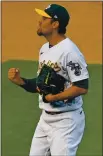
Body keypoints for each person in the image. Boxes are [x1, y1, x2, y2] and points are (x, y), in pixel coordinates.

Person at [8, 4, 89, 156]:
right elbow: (42, 84)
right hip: (45, 119)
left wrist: (55, 97)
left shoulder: (70, 52)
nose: (39, 21)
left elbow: (82, 87)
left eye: (44, 18)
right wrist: (21, 81)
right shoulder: (45, 49)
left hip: (66, 122)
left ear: (55, 24)